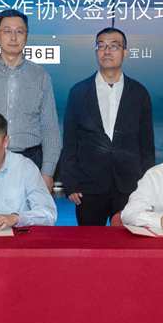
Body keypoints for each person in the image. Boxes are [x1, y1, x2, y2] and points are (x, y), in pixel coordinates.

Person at [59, 27, 155, 226]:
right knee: (90, 242)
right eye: (101, 46)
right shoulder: (79, 92)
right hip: (88, 187)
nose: (107, 51)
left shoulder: (139, 93)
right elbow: (70, 142)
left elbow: (146, 144)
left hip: (130, 186)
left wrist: (148, 185)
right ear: (96, 52)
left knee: (128, 241)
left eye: (114, 46)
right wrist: (71, 183)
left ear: (125, 52)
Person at [0, 9, 61, 192]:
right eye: (7, 31)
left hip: (31, 161)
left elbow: (50, 129)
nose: (13, 37)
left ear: (26, 36)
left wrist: (47, 172)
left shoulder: (41, 76)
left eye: (19, 31)